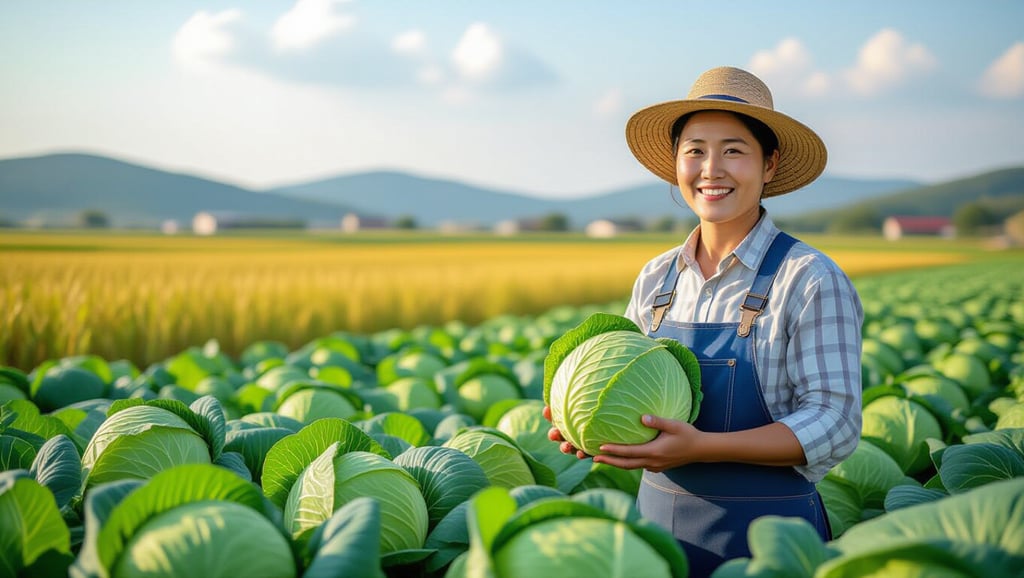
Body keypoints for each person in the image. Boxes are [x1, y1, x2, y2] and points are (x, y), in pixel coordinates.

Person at [545, 66, 863, 577]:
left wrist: (705, 447)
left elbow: (836, 420)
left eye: (733, 150)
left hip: (769, 543)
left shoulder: (809, 278)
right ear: (676, 164)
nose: (711, 169)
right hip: (653, 539)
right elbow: (625, 380)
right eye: (694, 150)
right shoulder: (656, 279)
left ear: (770, 164)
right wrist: (588, 429)